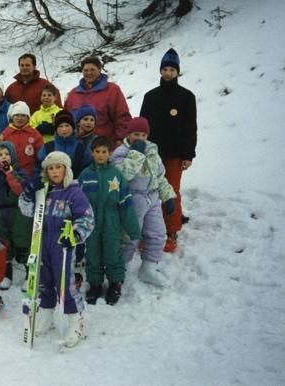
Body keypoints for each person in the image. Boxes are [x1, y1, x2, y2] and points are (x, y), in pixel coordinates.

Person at [20, 151, 94, 348]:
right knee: (43, 281)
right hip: (41, 242)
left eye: (58, 167)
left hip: (62, 246)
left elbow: (86, 217)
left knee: (65, 284)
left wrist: (75, 236)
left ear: (66, 169)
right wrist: (28, 192)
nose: (54, 171)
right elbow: (26, 210)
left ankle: (75, 320)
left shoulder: (73, 192)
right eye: (50, 168)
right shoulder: (43, 191)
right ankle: (46, 315)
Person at [140, 48, 197, 252]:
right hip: (152, 153)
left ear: (177, 72)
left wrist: (188, 154)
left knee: (170, 190)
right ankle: (147, 229)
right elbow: (142, 126)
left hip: (175, 153)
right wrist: (140, 149)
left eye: (172, 69)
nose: (168, 73)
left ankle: (171, 230)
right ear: (160, 71)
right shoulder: (150, 96)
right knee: (148, 190)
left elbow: (191, 127)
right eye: (165, 69)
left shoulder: (187, 97)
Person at [110, 117, 177, 288]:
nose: (139, 138)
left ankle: (148, 267)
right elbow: (121, 176)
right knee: (129, 236)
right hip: (132, 199)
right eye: (135, 134)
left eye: (143, 135)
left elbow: (160, 177)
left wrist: (168, 195)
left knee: (157, 233)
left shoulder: (153, 151)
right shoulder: (121, 152)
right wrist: (136, 154)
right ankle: (120, 267)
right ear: (129, 134)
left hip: (152, 197)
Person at [78, 137, 141, 305]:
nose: (100, 155)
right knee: (93, 253)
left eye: (104, 152)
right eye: (97, 152)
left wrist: (133, 229)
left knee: (113, 252)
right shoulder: (85, 175)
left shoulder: (116, 174)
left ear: (109, 153)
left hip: (111, 221)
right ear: (92, 153)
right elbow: (78, 203)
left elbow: (126, 202)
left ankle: (115, 283)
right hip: (91, 222)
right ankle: (95, 284)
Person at [0, 141, 32, 290]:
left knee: (23, 242)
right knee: (2, 244)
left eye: (6, 154)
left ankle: (28, 274)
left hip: (19, 212)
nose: (3, 157)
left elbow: (20, 190)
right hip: (1, 212)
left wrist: (10, 173)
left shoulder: (21, 173)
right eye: (0, 155)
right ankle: (7, 274)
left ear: (12, 156)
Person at [64, 56, 131, 147]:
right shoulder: (73, 93)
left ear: (99, 70)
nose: (89, 73)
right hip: (76, 146)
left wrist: (120, 139)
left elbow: (122, 117)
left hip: (103, 147)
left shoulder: (112, 90)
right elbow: (66, 119)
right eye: (86, 70)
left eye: (92, 70)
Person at [36, 110, 92, 180]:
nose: (64, 129)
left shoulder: (81, 148)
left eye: (67, 126)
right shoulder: (47, 147)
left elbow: (87, 169)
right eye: (60, 126)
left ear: (73, 127)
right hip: (52, 188)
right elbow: (38, 169)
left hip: (76, 186)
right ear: (56, 129)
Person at [0, 101, 44, 177]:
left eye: (23, 115)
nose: (20, 118)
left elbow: (41, 154)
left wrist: (37, 171)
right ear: (12, 117)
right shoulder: (5, 134)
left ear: (28, 117)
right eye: (17, 115)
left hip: (30, 174)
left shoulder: (34, 134)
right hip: (9, 173)